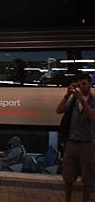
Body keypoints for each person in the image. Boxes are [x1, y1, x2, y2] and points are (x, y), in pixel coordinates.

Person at [56, 73, 95, 202]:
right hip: (72, 143)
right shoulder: (73, 100)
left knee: (88, 177)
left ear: (90, 83)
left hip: (88, 144)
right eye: (79, 84)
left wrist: (82, 100)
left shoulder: (93, 100)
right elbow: (59, 110)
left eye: (84, 83)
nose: (82, 87)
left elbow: (92, 117)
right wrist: (67, 95)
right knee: (68, 176)